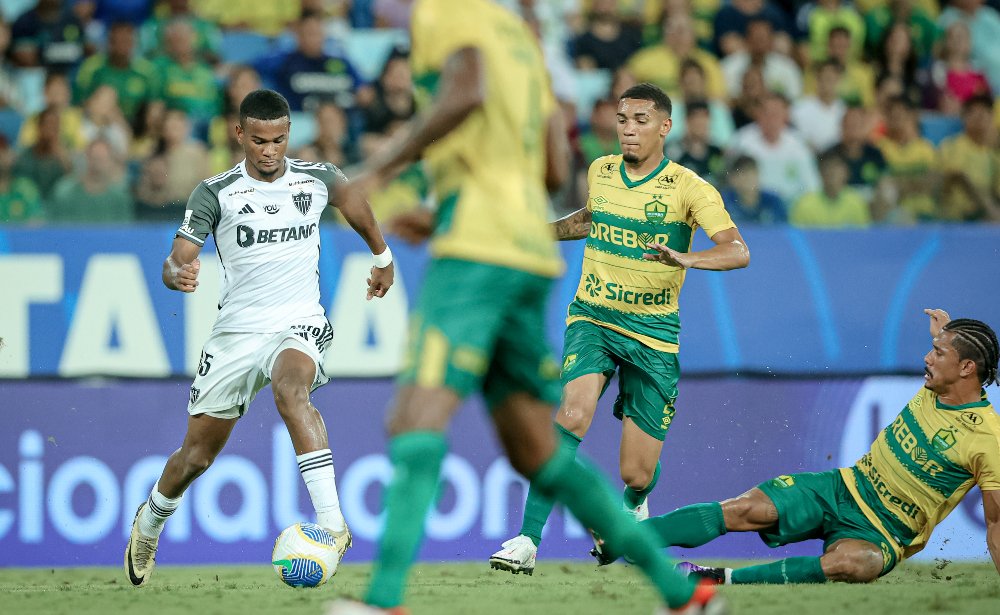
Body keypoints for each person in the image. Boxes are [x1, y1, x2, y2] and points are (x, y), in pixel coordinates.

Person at [327, 2, 724, 613]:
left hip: (477, 256)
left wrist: (378, 168)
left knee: (415, 419)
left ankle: (384, 601)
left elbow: (464, 90)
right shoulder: (522, 38)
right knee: (541, 447)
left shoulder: (443, 14)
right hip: (528, 255)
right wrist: (448, 209)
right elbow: (552, 164)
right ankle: (680, 594)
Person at [123, 89, 394, 587]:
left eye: (280, 140)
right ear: (240, 134)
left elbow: (354, 201)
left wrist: (381, 255)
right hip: (236, 334)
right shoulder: (215, 192)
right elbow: (178, 255)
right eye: (261, 141)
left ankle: (333, 525)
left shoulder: (317, 179)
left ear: (289, 135)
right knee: (196, 457)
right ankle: (151, 520)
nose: (270, 151)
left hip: (298, 322)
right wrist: (174, 273)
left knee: (291, 391)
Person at [489, 81, 750, 574]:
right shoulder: (601, 171)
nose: (628, 131)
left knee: (637, 470)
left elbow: (738, 251)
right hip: (593, 316)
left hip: (653, 336)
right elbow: (592, 218)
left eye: (641, 121)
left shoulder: (691, 189)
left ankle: (633, 509)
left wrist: (685, 257)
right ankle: (527, 541)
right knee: (571, 415)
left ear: (665, 128)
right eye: (623, 120)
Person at [596, 309, 1000, 584]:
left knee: (857, 564)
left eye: (938, 352)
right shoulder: (939, 384)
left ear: (967, 368)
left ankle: (713, 576)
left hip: (883, 532)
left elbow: (996, 524)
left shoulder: (987, 440)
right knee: (744, 509)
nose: (927, 358)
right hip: (841, 488)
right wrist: (942, 334)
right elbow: (959, 349)